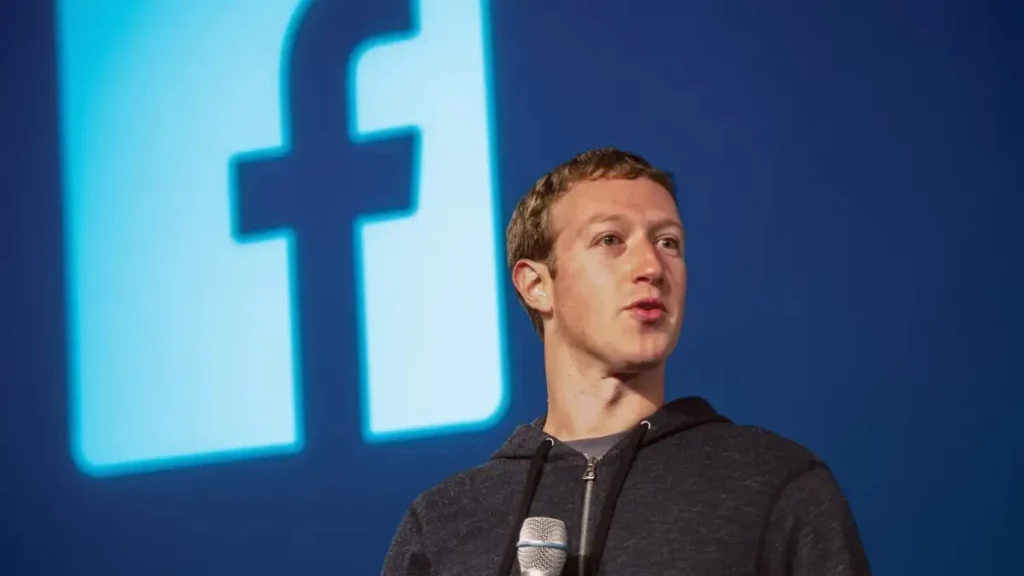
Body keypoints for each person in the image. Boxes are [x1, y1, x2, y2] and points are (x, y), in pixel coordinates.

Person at [381, 147, 871, 575]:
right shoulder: (445, 522)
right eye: (610, 240)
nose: (652, 267)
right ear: (536, 285)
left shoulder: (772, 484)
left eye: (668, 243)